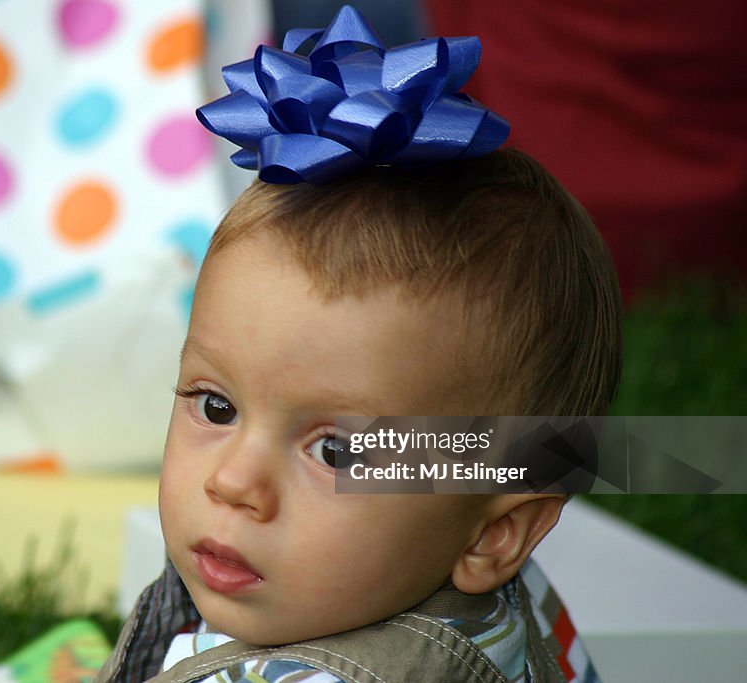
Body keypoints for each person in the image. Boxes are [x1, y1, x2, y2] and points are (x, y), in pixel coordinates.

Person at [96, 7, 619, 683]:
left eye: (335, 449)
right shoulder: (489, 589)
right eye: (217, 406)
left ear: (494, 534)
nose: (233, 482)